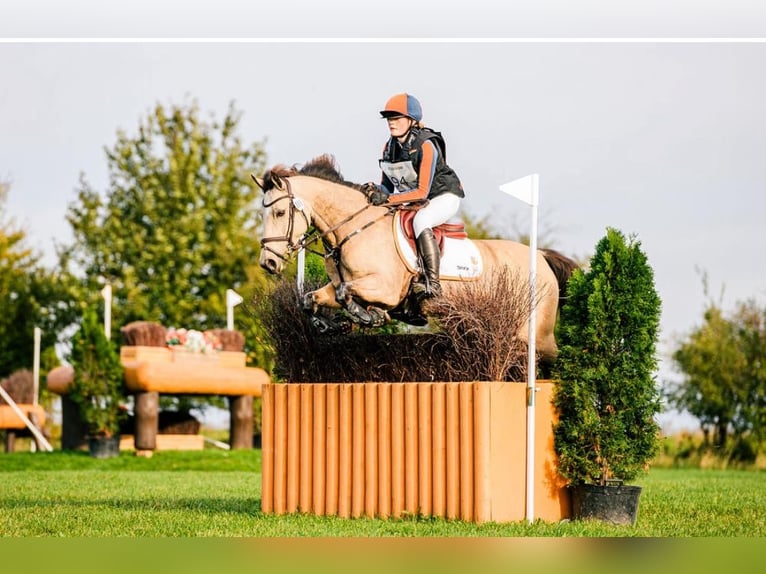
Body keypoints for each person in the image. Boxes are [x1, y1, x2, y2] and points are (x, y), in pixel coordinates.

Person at [364, 92, 465, 302]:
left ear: (411, 121)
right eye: (389, 119)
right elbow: (387, 187)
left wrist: (388, 200)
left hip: (443, 195)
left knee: (422, 220)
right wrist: (374, 192)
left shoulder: (425, 145)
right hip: (416, 200)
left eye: (397, 118)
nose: (391, 123)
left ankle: (433, 283)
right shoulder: (389, 147)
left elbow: (422, 192)